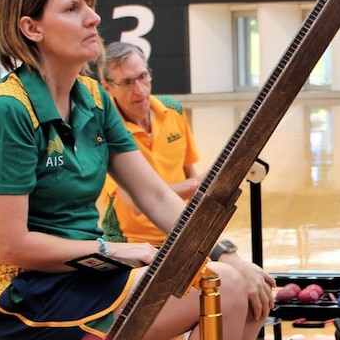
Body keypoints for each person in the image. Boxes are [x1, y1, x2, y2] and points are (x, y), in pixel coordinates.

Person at [0, 0, 274, 340]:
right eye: (73, 8)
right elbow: (10, 245)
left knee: (248, 288)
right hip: (25, 299)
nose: (93, 18)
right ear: (31, 28)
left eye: (89, 6)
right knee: (223, 289)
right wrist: (113, 250)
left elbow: (156, 197)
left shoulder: (92, 97)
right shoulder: (9, 112)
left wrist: (228, 254)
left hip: (90, 277)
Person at [98, 41, 247, 265]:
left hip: (179, 232)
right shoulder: (103, 129)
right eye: (127, 82)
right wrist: (197, 184)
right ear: (108, 88)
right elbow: (136, 205)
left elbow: (189, 173)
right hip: (132, 244)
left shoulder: (173, 109)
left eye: (142, 77)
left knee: (231, 280)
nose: (139, 90)